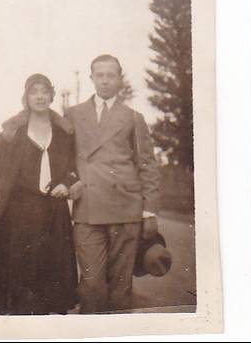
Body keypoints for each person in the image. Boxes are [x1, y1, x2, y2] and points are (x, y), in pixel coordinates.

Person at [0, 74, 79, 314]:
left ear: (52, 96)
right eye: (34, 91)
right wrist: (28, 188)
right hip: (21, 210)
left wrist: (65, 183)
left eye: (45, 91)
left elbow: (72, 166)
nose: (40, 96)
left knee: (50, 274)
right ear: (26, 97)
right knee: (21, 272)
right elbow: (3, 172)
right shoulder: (13, 131)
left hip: (55, 210)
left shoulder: (64, 131)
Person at [65, 54, 160, 313]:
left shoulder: (133, 117)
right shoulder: (73, 115)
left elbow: (147, 165)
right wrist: (71, 180)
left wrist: (149, 210)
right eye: (100, 75)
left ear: (119, 79)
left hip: (125, 209)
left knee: (120, 287)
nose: (105, 81)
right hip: (88, 208)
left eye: (111, 75)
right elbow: (59, 157)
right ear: (91, 78)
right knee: (92, 285)